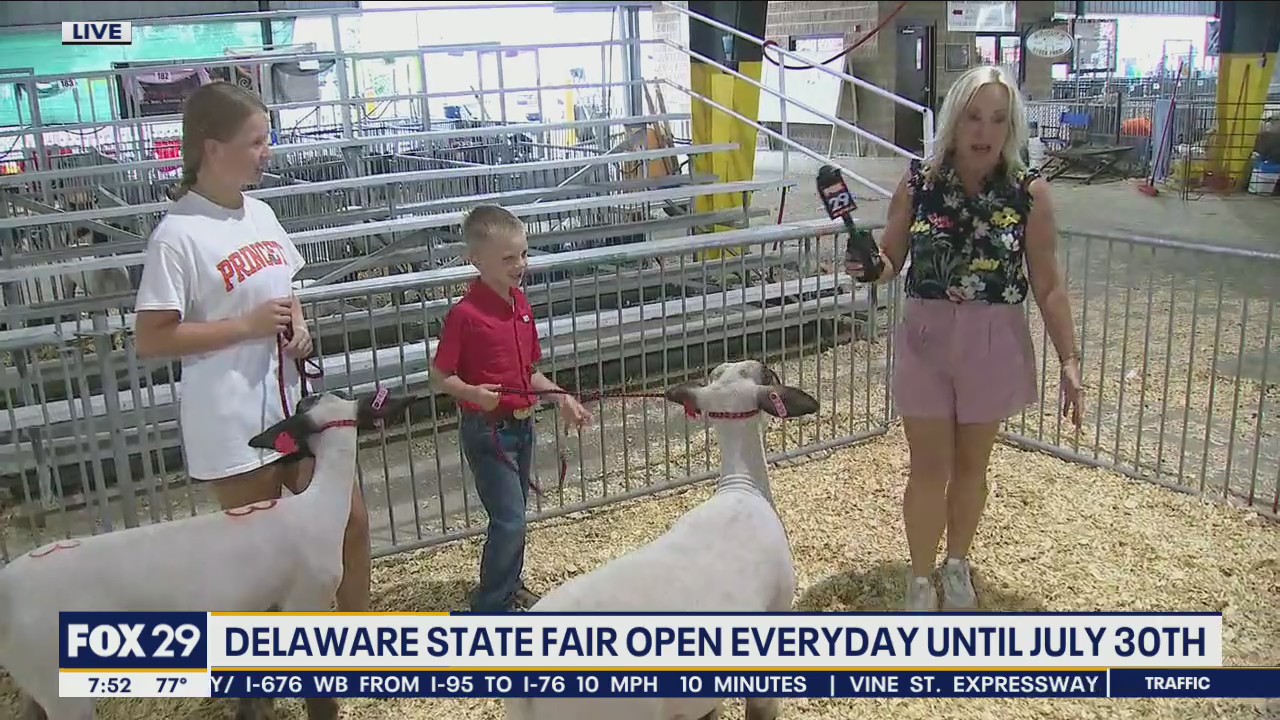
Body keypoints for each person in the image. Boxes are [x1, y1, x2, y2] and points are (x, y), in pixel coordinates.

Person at [844, 65, 1085, 611]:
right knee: (930, 467)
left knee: (974, 467)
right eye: (974, 117)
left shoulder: (1030, 194)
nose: (985, 130)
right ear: (954, 119)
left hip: (994, 341)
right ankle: (921, 579)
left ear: (1012, 127)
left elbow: (1048, 287)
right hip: (926, 340)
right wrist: (869, 266)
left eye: (998, 120)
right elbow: (892, 261)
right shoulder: (918, 184)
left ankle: (957, 565)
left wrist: (1070, 359)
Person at [132, 81, 371, 616]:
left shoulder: (259, 214)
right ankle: (263, 679)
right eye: (257, 141)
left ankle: (359, 641)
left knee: (350, 523)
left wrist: (298, 324)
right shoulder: (177, 236)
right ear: (213, 149)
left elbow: (285, 290)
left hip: (292, 407)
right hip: (232, 421)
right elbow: (152, 336)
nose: (268, 152)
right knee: (259, 564)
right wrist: (245, 327)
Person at [430, 204, 592, 613]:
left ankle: (508, 584)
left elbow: (528, 373)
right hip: (489, 431)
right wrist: (473, 393)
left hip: (522, 426)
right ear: (477, 260)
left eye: (523, 254)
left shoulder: (520, 305)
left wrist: (561, 397)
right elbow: (439, 376)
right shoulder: (464, 316)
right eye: (508, 258)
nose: (520, 264)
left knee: (515, 516)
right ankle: (490, 606)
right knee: (510, 519)